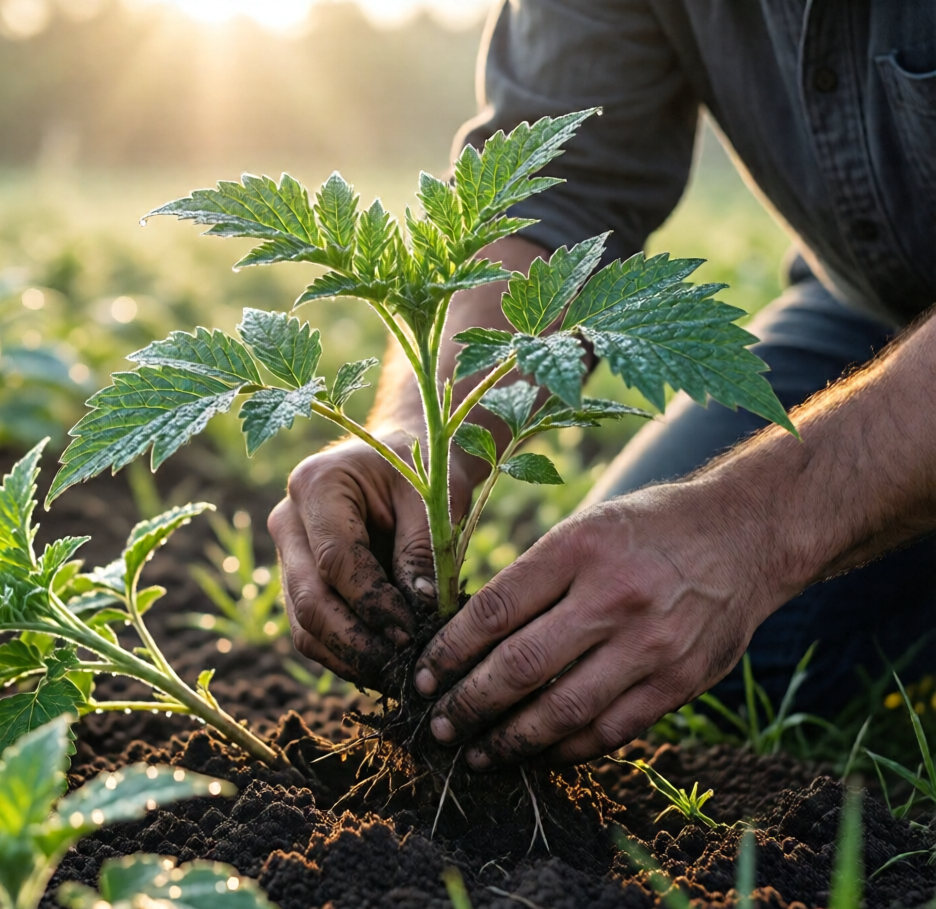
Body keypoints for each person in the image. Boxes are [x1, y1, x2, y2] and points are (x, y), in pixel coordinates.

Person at [268, 1, 936, 772]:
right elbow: (559, 193)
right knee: (634, 650)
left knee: (695, 594)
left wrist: (754, 526)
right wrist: (426, 430)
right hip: (863, 315)